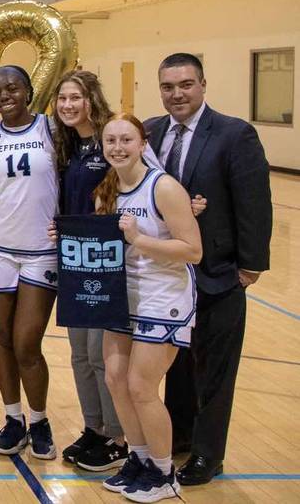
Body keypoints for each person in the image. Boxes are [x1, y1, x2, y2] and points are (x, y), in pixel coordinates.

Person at [146, 53, 272, 486]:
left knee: (214, 367)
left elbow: (254, 202)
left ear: (203, 84)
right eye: (168, 86)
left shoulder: (234, 134)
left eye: (185, 84)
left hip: (218, 270)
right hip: (168, 273)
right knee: (175, 361)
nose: (176, 94)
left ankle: (207, 453)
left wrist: (251, 263)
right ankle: (178, 435)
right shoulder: (150, 133)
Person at [93, 114, 203, 503]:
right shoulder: (106, 190)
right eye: (110, 141)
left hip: (164, 296)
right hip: (123, 296)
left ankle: (163, 471)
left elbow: (193, 249)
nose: (118, 148)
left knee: (141, 386)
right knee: (116, 380)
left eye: (126, 140)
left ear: (143, 143)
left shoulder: (164, 187)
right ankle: (138, 460)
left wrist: (139, 239)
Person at [0, 65, 60, 460]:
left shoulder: (50, 129)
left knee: (26, 343)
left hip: (41, 250)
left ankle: (40, 419)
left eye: (12, 87)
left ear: (29, 91)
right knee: (0, 338)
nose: (4, 95)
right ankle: (14, 419)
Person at [52, 70, 130, 471]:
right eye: (63, 98)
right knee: (80, 355)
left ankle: (119, 436)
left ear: (91, 99)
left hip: (107, 261)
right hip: (73, 259)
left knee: (103, 356)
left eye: (76, 97)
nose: (68, 104)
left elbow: (142, 181)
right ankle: (94, 427)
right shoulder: (68, 144)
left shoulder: (112, 138)